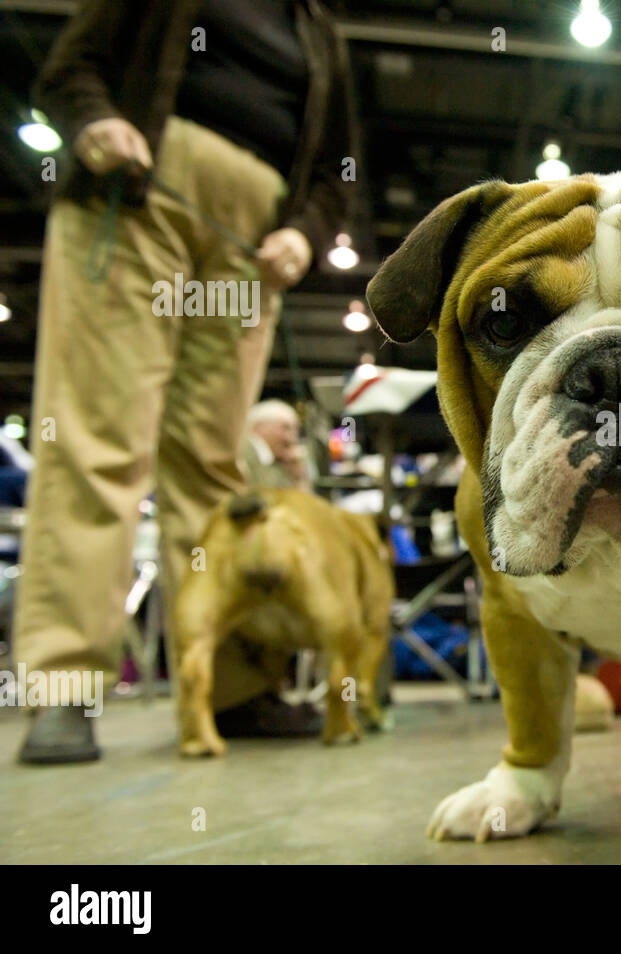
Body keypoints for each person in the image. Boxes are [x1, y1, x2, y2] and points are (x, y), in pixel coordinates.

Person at [16, 0, 356, 764]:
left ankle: (230, 688)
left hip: (253, 236)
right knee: (100, 439)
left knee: (211, 464)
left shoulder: (318, 28)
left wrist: (305, 233)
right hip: (138, 195)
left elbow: (340, 167)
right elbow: (68, 71)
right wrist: (97, 122)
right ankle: (64, 685)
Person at [244, 399, 311, 491]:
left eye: (295, 430)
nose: (292, 438)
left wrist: (297, 476)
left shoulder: (277, 462)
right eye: (285, 428)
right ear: (258, 426)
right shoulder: (245, 452)